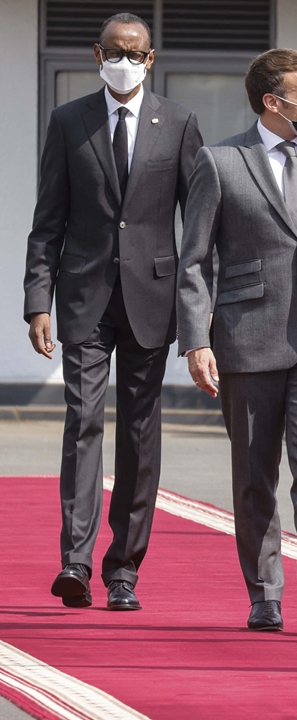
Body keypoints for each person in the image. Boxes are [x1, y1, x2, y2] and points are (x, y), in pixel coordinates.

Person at [177, 48, 297, 632]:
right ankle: (265, 593)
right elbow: (194, 263)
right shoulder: (220, 161)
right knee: (255, 472)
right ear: (273, 102)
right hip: (248, 335)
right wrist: (196, 339)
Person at [24, 13, 202, 612]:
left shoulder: (177, 123)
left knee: (139, 433)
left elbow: (196, 226)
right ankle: (74, 563)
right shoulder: (68, 120)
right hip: (84, 297)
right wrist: (36, 302)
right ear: (96, 54)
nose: (123, 61)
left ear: (151, 60)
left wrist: (199, 310)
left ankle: (123, 568)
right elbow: (47, 220)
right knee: (82, 423)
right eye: (114, 51)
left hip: (152, 297)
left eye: (135, 53)